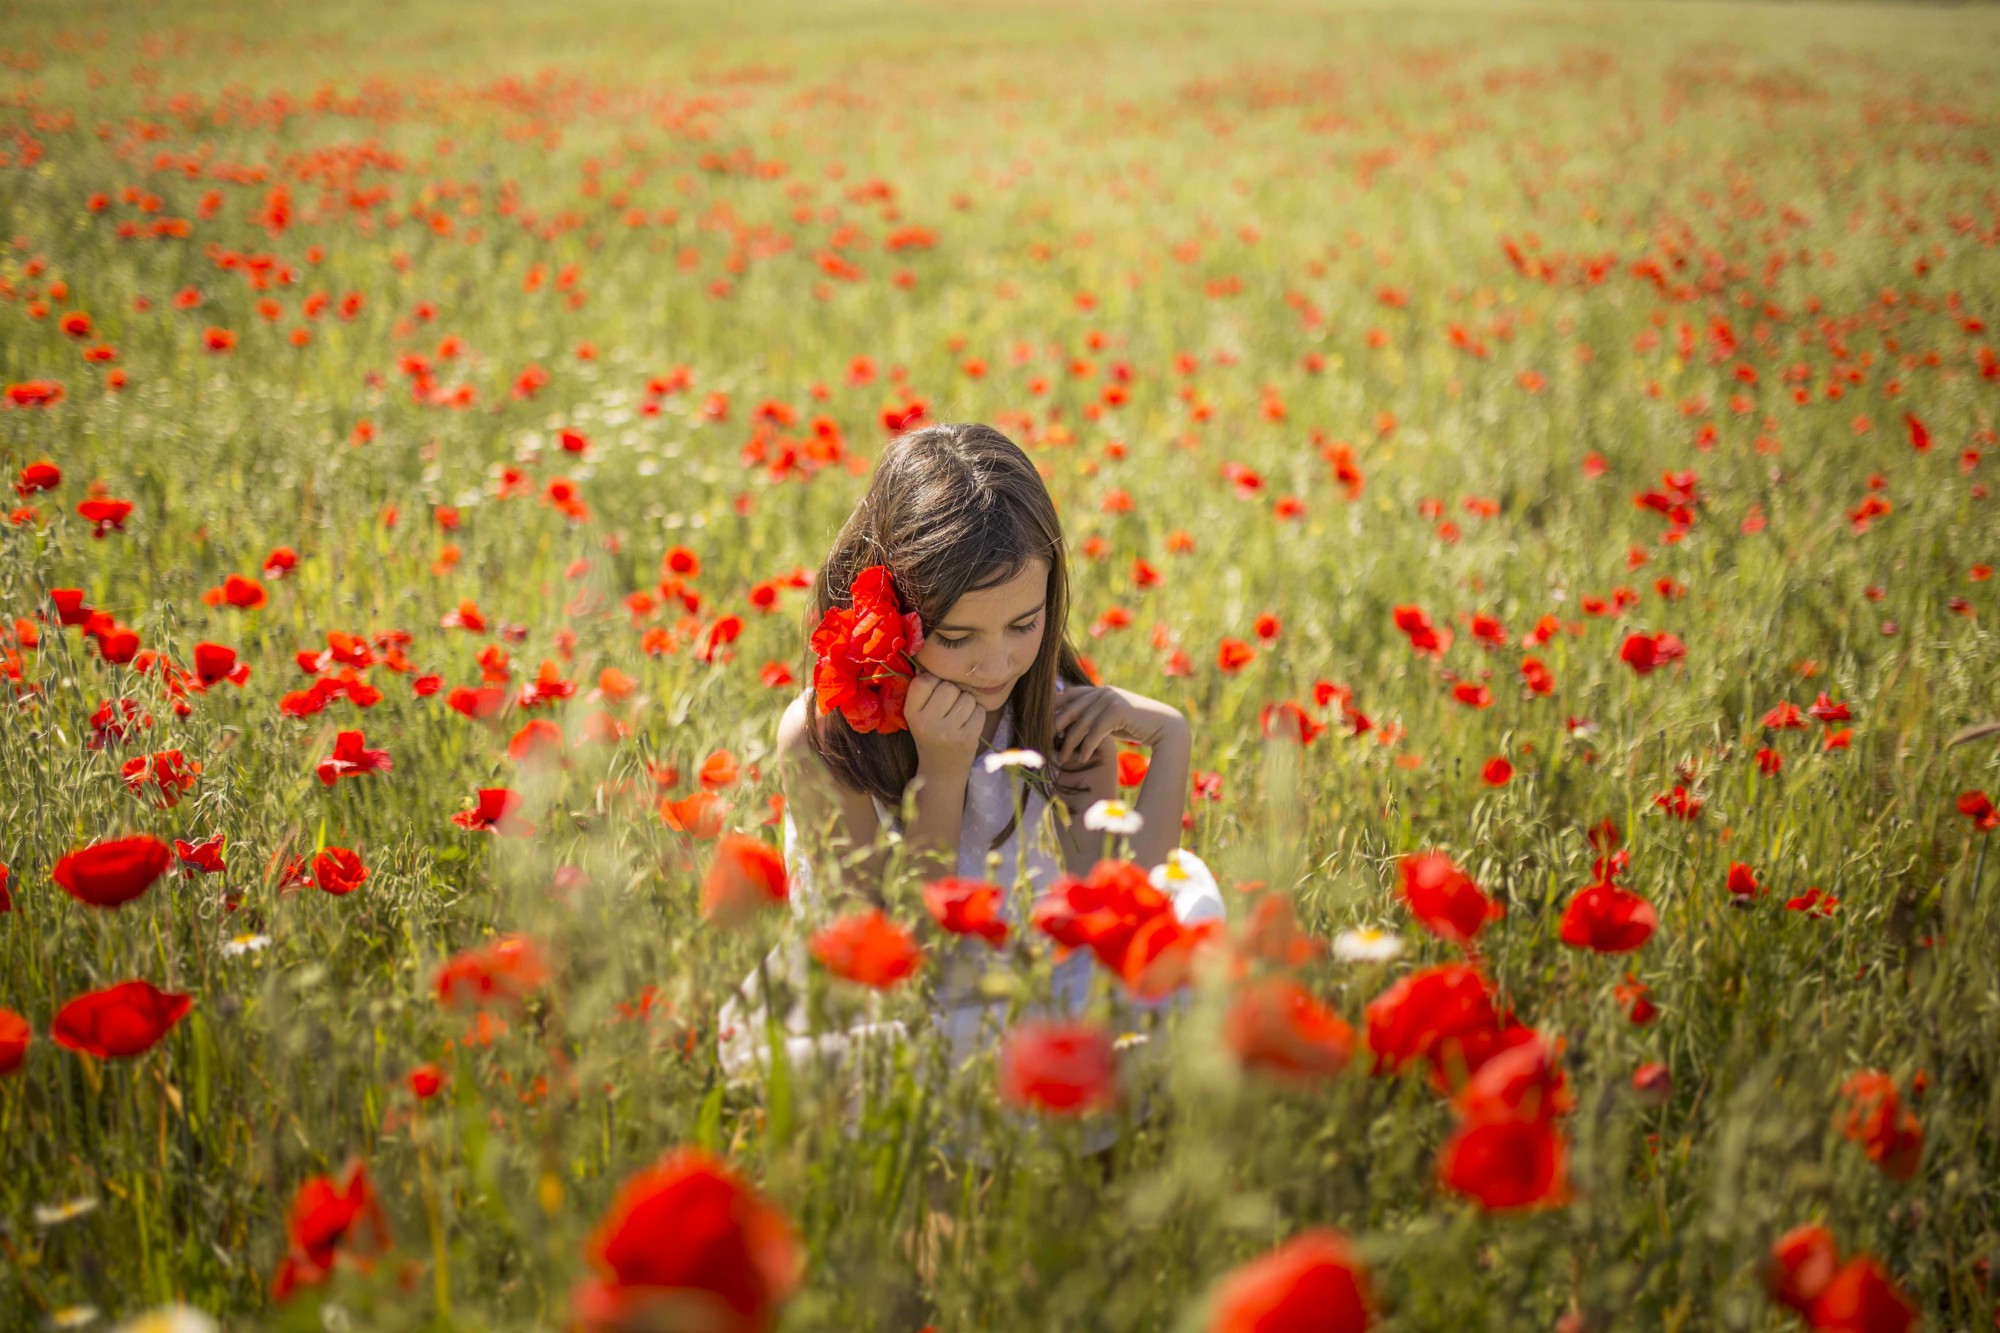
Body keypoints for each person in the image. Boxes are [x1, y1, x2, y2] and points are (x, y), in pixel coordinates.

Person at [717, 422, 1224, 1086]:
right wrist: (943, 774)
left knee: (1189, 1004)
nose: (998, 663)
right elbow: (886, 974)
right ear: (892, 614)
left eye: (1024, 624)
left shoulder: (1051, 711)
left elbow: (1119, 927)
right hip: (899, 1012)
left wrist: (1171, 735)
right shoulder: (827, 736)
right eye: (958, 637)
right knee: (878, 1072)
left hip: (1036, 990)